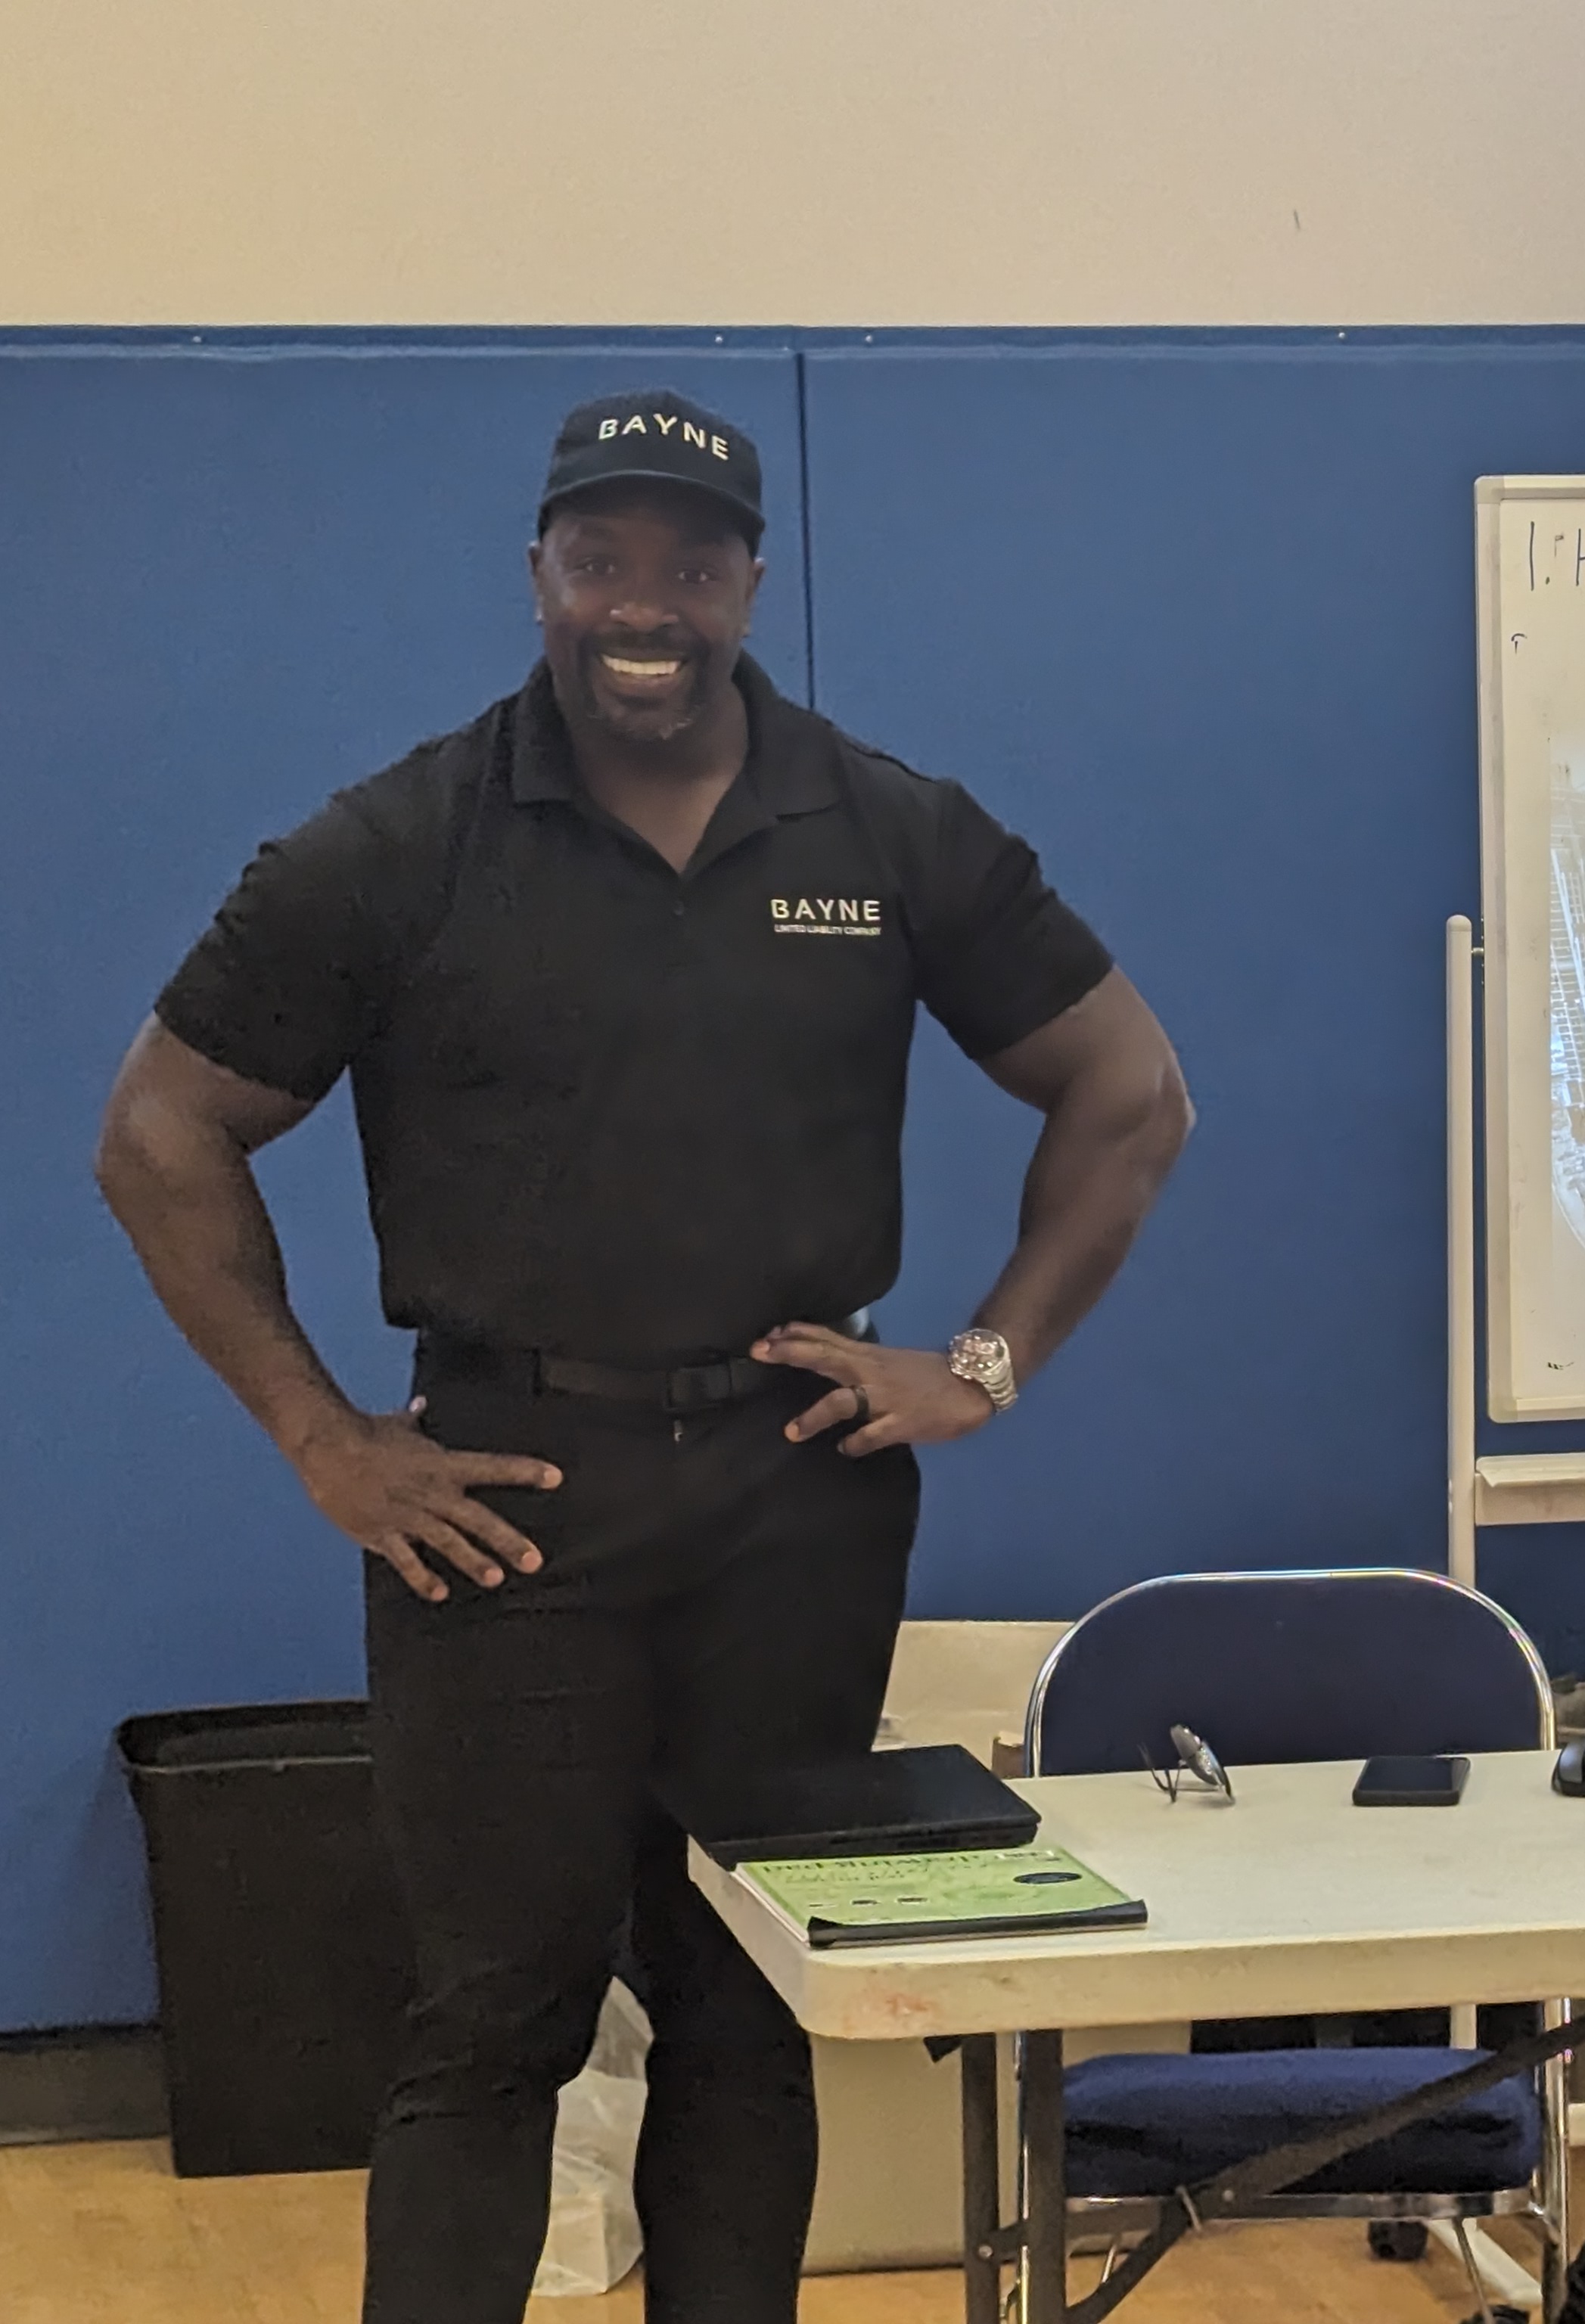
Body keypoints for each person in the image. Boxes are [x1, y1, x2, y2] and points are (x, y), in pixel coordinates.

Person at [93, 389, 1192, 2323]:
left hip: (797, 1499)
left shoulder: (886, 827)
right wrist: (321, 1437)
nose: (644, 605)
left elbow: (1130, 1089)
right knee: (493, 2020)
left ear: (750, 583)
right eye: (600, 559)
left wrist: (981, 1365)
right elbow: (159, 1130)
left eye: (690, 563)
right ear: (539, 574)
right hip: (506, 1510)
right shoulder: (399, 843)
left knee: (745, 2012)